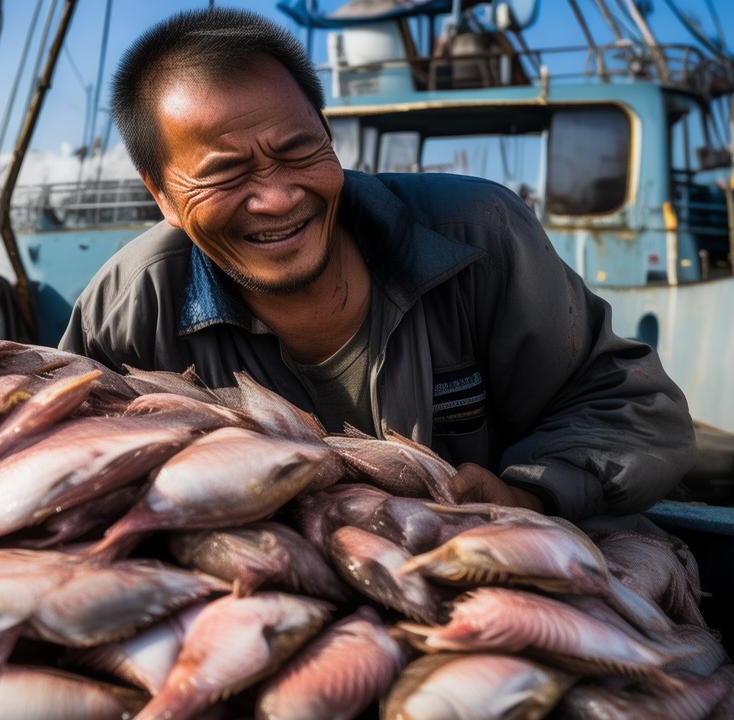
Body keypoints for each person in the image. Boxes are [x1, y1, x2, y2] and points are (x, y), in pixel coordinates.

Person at [58, 9, 696, 519]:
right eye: (225, 173)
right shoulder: (131, 305)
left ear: (328, 136)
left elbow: (629, 404)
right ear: (162, 194)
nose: (278, 198)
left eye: (299, 150)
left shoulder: (478, 237)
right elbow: (68, 453)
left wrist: (531, 493)